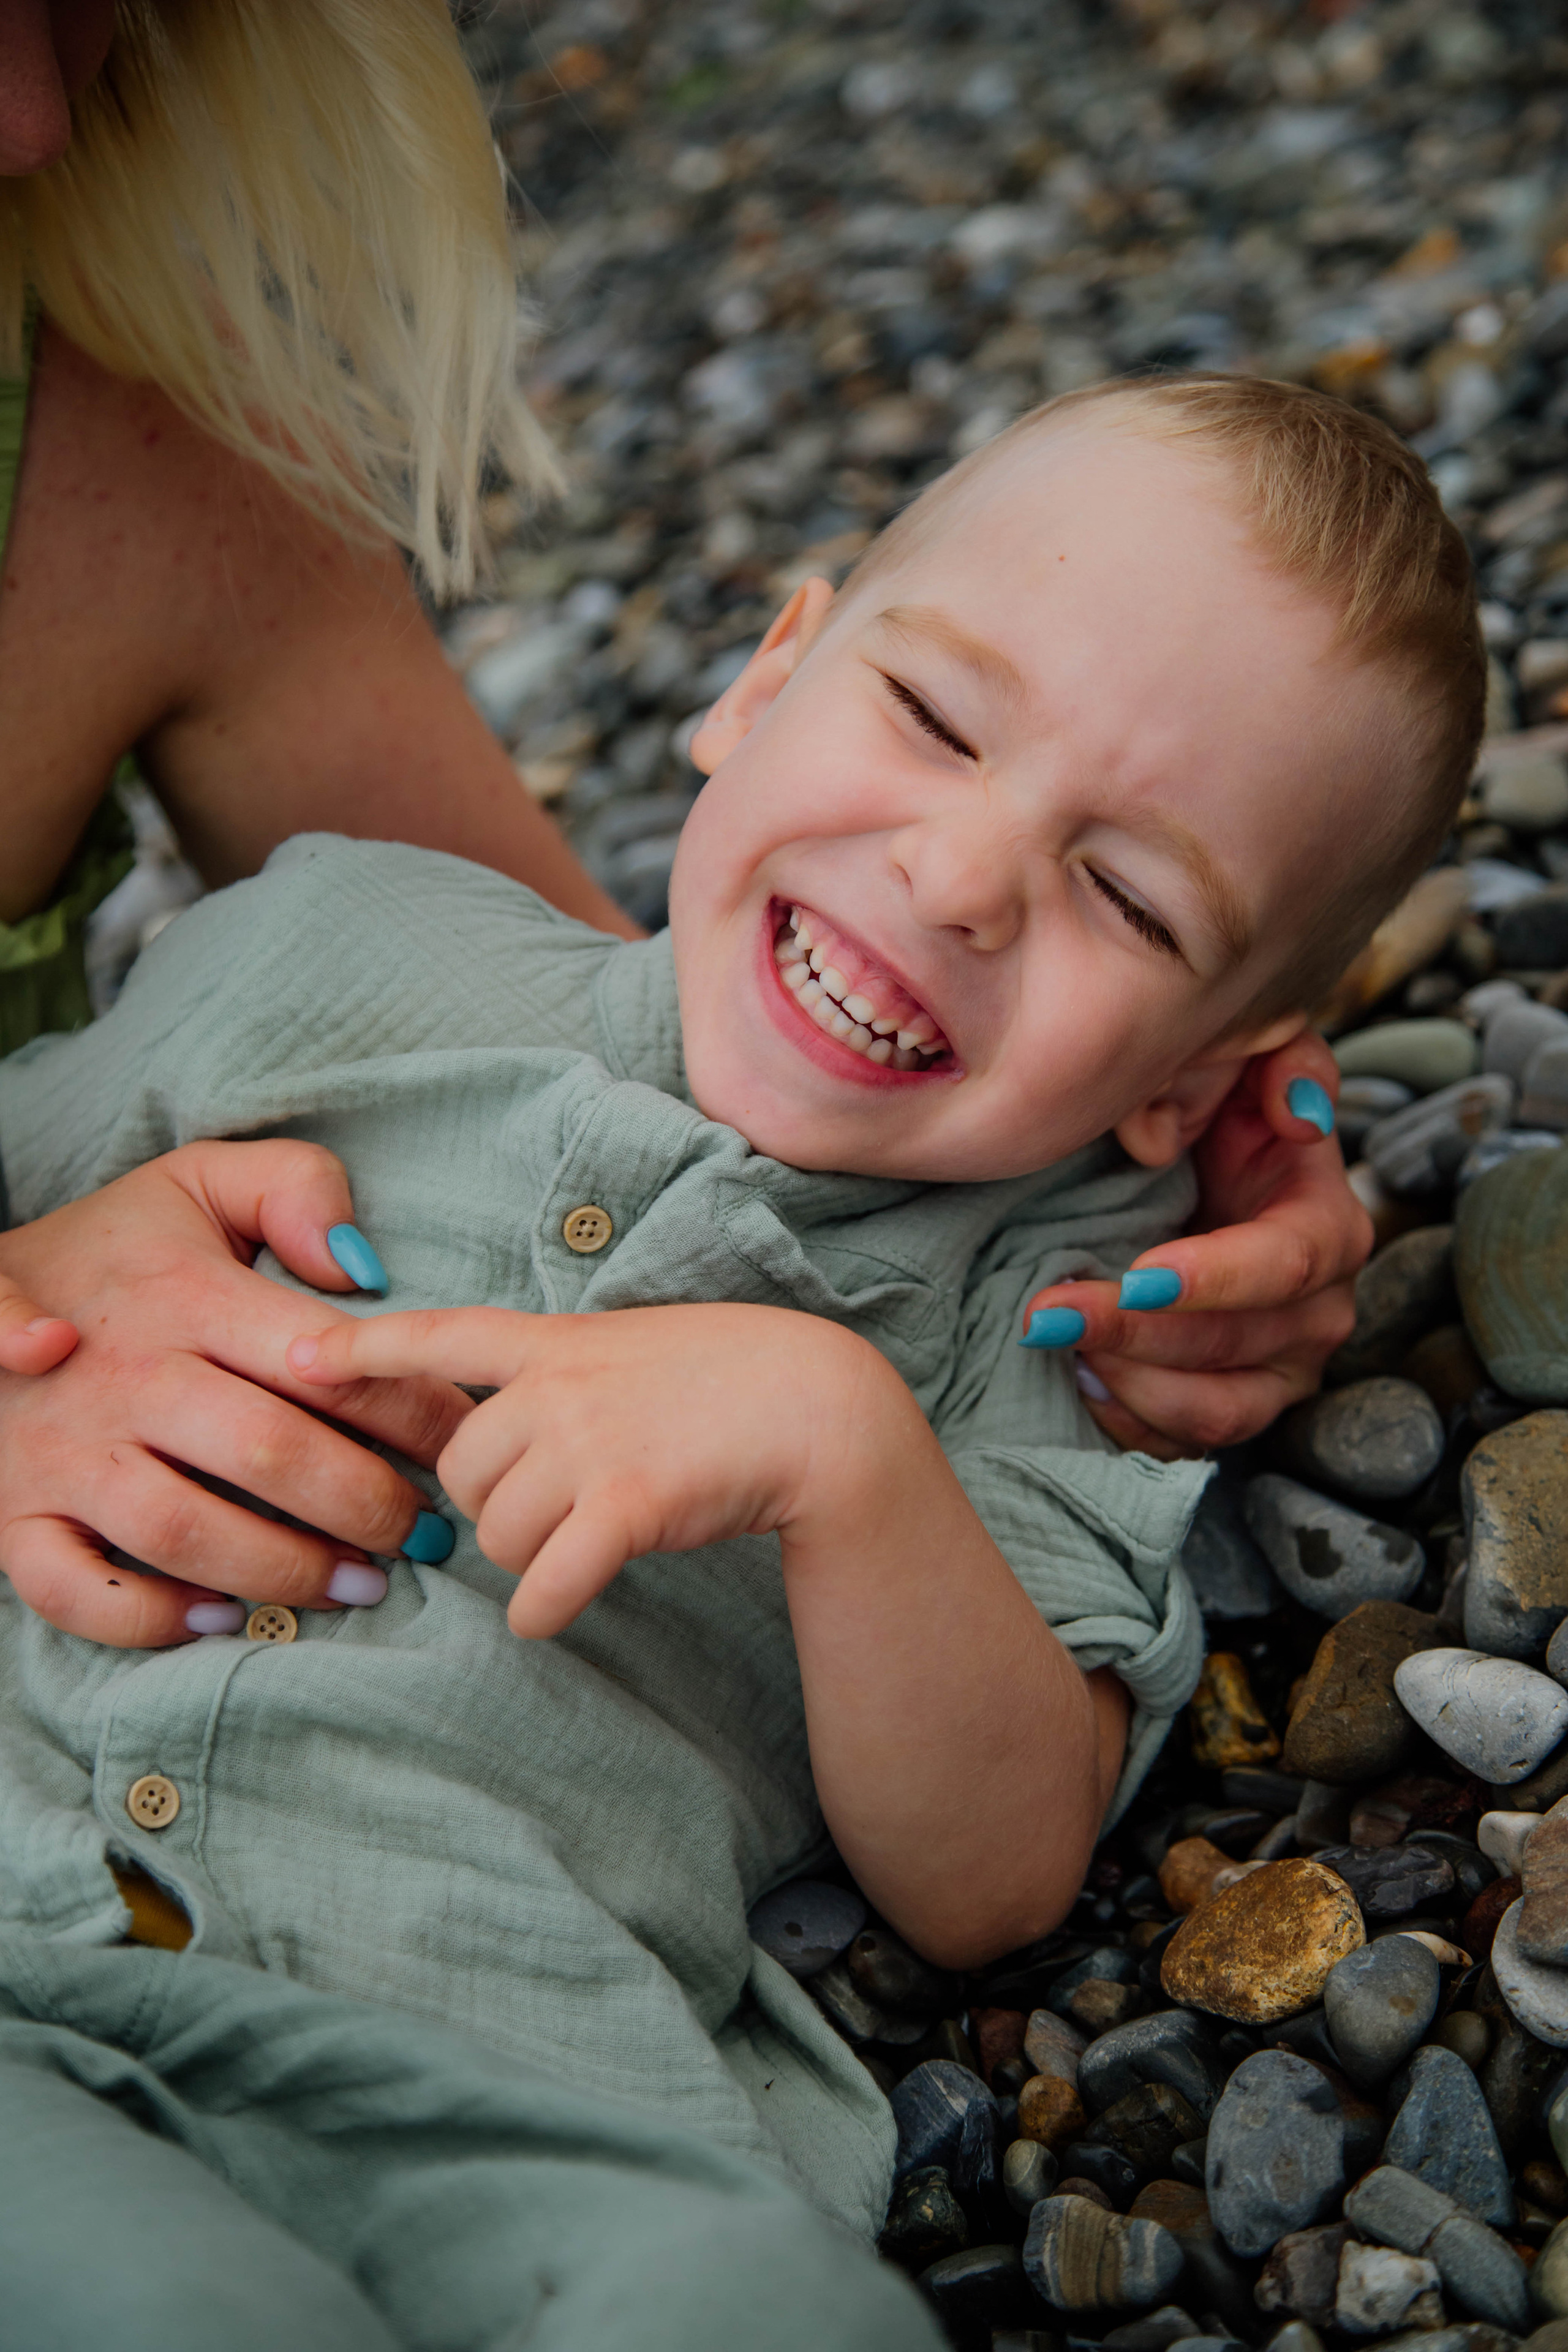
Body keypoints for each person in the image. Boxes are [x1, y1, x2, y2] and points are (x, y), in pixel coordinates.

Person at [0, 374, 1483, 2345]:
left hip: (492, 2057)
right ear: (765, 677)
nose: (964, 879)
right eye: (938, 718)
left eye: (1128, 897)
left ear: (1206, 1066)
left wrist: (841, 1447)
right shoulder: (332, 951)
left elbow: (1000, 1868)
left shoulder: (1056, 1314)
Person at [0, 0, 1370, 1555]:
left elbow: (563, 1035)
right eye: (931, 717)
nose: (33, 118)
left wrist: (1173, 1114)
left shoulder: (143, 446)